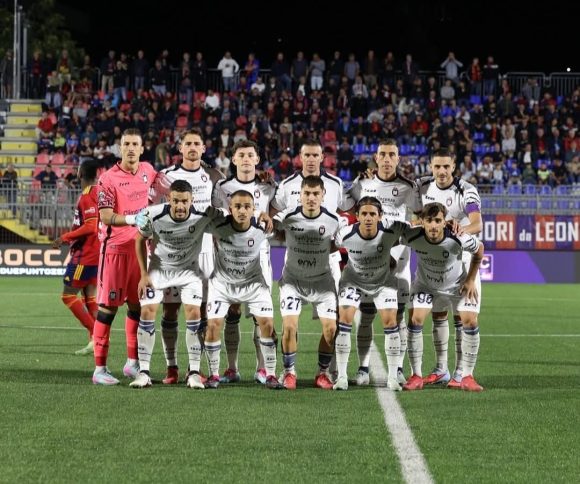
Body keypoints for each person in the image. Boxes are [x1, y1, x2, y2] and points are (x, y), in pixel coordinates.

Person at [129, 180, 226, 389]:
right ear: (168, 199)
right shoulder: (153, 214)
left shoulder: (202, 215)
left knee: (194, 313)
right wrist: (144, 274)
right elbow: (139, 239)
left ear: (192, 200)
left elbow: (231, 222)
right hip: (159, 270)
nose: (180, 206)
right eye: (175, 201)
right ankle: (144, 372)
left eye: (184, 201)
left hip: (189, 272)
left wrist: (254, 216)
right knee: (147, 312)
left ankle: (194, 373)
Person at [92, 128, 168, 385]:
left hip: (141, 250)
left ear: (142, 148)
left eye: (135, 144)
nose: (131, 148)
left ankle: (132, 363)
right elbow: (105, 217)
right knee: (107, 309)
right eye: (127, 144)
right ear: (120, 148)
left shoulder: (148, 170)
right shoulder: (107, 179)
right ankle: (99, 369)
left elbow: (168, 183)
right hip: (115, 251)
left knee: (137, 306)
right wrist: (132, 219)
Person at [347, 139, 418, 386]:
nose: (387, 159)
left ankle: (397, 369)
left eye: (391, 154)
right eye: (383, 154)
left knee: (398, 318)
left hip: (400, 264)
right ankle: (363, 369)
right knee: (367, 316)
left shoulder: (409, 188)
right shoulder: (364, 184)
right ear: (376, 158)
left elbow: (419, 219)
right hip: (369, 264)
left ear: (398, 159)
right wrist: (355, 182)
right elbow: (346, 206)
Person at [158, 128, 223, 384]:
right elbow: (156, 209)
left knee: (202, 313)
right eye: (189, 143)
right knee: (170, 310)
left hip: (205, 251)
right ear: (181, 148)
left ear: (203, 148)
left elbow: (223, 210)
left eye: (197, 143)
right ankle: (171, 367)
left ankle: (194, 368)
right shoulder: (167, 176)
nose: (193, 147)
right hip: (174, 252)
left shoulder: (214, 176)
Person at [414, 148, 482, 388]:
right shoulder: (422, 186)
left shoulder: (466, 190)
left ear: (453, 166)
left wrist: (457, 232)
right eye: (437, 166)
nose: (441, 171)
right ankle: (441, 369)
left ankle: (461, 372)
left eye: (446, 166)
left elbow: (477, 224)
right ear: (431, 167)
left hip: (462, 259)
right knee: (438, 314)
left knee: (465, 318)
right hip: (434, 261)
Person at [211, 139, 277, 384]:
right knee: (233, 310)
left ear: (257, 159)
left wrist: (268, 217)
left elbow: (275, 215)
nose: (247, 159)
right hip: (229, 255)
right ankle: (232, 368)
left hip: (259, 255)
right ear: (234, 159)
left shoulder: (268, 186)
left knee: (261, 315)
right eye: (242, 155)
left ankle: (262, 369)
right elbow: (217, 216)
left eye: (251, 155)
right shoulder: (222, 187)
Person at [401, 203, 484, 392]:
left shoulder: (457, 236)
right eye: (429, 220)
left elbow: (479, 249)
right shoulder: (411, 235)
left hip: (457, 285)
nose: (433, 226)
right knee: (415, 319)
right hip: (426, 285)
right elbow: (389, 239)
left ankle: (467, 376)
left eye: (438, 221)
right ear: (422, 222)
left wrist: (471, 279)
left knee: (470, 321)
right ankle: (416, 376)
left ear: (444, 222)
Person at [203, 190, 280, 389]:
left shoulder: (263, 227)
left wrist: (267, 216)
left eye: (247, 207)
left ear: (254, 209)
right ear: (230, 209)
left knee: (267, 325)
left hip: (253, 283)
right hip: (222, 284)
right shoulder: (218, 226)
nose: (242, 211)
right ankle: (213, 375)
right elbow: (195, 218)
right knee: (212, 326)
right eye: (237, 206)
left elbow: (285, 229)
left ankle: (271, 375)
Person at [274, 176, 345, 390]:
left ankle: (322, 372)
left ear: (323, 195)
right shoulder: (288, 215)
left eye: (315, 194)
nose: (311, 198)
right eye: (307, 193)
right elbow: (271, 225)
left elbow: (340, 242)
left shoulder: (334, 219)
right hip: (293, 281)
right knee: (289, 327)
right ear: (300, 194)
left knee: (331, 329)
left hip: (322, 282)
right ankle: (289, 372)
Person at [334, 197, 409, 391]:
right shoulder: (344, 234)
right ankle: (341, 377)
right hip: (353, 281)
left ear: (380, 216)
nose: (368, 218)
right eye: (364, 214)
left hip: (383, 282)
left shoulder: (392, 229)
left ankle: (392, 377)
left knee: (391, 322)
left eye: (372, 214)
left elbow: (415, 231)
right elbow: (330, 247)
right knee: (344, 320)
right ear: (357, 216)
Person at [52, 159, 100, 355]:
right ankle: (95, 341)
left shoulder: (87, 196)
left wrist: (65, 237)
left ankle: (96, 333)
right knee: (89, 297)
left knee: (68, 295)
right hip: (97, 254)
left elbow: (91, 226)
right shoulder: (100, 193)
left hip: (85, 256)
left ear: (80, 174)